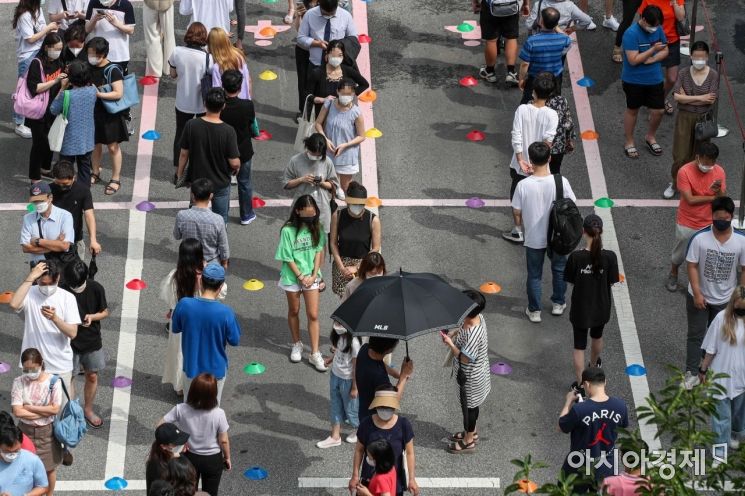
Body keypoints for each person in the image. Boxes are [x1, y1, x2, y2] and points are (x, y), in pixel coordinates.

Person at [684, 196, 745, 388]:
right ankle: (692, 372)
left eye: (726, 219)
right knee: (695, 334)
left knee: (719, 335)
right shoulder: (699, 238)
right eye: (718, 218)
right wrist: (697, 292)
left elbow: (744, 270)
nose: (722, 222)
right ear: (712, 216)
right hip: (699, 296)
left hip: (726, 300)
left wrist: (741, 297)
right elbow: (692, 265)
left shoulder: (741, 241)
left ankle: (708, 366)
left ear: (731, 217)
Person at [511, 142, 575, 322]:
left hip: (533, 237)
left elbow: (517, 211)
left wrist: (520, 226)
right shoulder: (561, 181)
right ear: (549, 158)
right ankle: (558, 303)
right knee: (559, 269)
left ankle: (534, 310)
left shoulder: (523, 185)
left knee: (534, 274)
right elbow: (572, 205)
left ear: (530, 160)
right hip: (558, 236)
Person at [171, 264, 240, 403]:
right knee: (212, 412)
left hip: (191, 368)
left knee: (189, 409)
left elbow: (176, 328)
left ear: (201, 281)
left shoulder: (184, 304)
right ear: (220, 287)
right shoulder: (226, 312)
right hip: (216, 372)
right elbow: (234, 340)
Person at [564, 215, 620, 387]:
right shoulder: (610, 257)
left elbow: (571, 280)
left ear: (583, 232)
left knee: (579, 345)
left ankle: (581, 385)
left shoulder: (576, 257)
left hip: (581, 308)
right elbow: (612, 281)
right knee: (597, 335)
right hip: (601, 307)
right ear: (601, 232)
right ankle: (594, 366)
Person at [275, 195, 328, 372]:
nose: (310, 219)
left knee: (313, 314)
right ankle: (296, 343)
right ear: (297, 212)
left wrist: (314, 275)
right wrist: (300, 276)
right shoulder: (288, 230)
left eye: (313, 215)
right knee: (294, 310)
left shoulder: (317, 227)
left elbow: (319, 251)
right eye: (306, 216)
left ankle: (314, 352)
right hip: (292, 277)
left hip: (311, 276)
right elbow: (287, 256)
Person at [502, 75, 558, 243]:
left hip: (520, 165)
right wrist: (540, 162)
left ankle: (518, 230)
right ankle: (538, 230)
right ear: (550, 95)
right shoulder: (552, 115)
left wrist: (520, 159)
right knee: (541, 197)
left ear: (533, 92)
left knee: (517, 197)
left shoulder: (522, 110)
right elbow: (548, 141)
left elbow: (516, 135)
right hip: (541, 166)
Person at [9, 261, 81, 390]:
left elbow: (72, 333)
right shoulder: (29, 292)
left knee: (61, 407)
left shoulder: (68, 298)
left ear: (58, 278)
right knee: (30, 404)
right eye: (42, 283)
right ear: (37, 280)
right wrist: (30, 277)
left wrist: (55, 319)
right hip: (32, 364)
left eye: (51, 283)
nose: (47, 287)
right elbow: (14, 304)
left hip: (60, 364)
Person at [666, 142, 726, 292]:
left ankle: (698, 282)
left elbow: (722, 196)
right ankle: (673, 272)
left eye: (712, 162)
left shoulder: (719, 172)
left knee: (706, 254)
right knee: (679, 254)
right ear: (698, 157)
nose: (708, 165)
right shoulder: (684, 172)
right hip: (688, 222)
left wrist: (718, 192)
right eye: (706, 161)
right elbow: (690, 200)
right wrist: (713, 198)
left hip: (709, 221)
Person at [176, 88, 241, 224]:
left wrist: (180, 174)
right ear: (223, 106)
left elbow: (183, 154)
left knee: (194, 216)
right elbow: (234, 162)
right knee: (221, 219)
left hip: (197, 180)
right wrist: (237, 167)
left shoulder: (191, 125)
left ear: (205, 103)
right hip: (220, 181)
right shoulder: (228, 131)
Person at [161, 373, 232, 496]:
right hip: (212, 460)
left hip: (189, 456)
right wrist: (227, 458)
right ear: (213, 393)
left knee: (188, 492)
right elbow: (223, 440)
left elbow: (160, 425)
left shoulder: (181, 409)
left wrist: (173, 442)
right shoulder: (219, 413)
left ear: (193, 390)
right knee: (210, 493)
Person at [665, 41, 719, 199]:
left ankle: (692, 185)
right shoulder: (683, 73)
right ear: (690, 56)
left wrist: (687, 98)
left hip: (703, 120)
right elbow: (677, 97)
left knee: (699, 155)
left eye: (702, 57)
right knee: (680, 155)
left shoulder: (713, 75)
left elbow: (711, 100)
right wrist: (700, 97)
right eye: (696, 57)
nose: (699, 60)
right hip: (685, 118)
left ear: (707, 57)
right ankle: (675, 183)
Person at [440, 290, 490, 454]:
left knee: (469, 408)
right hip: (478, 373)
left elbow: (464, 358)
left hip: (470, 378)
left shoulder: (472, 334)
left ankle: (468, 441)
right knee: (472, 406)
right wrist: (455, 332)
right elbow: (464, 326)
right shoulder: (477, 318)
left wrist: (450, 343)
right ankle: (471, 432)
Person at [559, 368, 629, 484]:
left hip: (579, 464)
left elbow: (561, 426)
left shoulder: (579, 409)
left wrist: (568, 402)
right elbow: (623, 425)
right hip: (607, 464)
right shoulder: (620, 405)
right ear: (605, 381)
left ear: (586, 384)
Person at [10, 348, 63, 495]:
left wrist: (29, 407)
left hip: (47, 432)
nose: (29, 373)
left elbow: (55, 410)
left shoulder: (54, 382)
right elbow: (17, 411)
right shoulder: (19, 382)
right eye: (26, 369)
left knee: (49, 468)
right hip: (24, 431)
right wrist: (43, 411)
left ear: (41, 364)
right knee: (26, 468)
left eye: (33, 369)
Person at [63, 260, 108, 429]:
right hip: (69, 340)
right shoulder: (62, 289)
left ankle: (88, 409)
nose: (74, 287)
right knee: (70, 377)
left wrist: (92, 317)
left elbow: (104, 312)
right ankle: (73, 410)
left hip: (91, 339)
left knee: (92, 375)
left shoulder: (96, 288)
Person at [700, 287, 745, 455]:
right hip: (722, 378)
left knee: (733, 415)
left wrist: (703, 369)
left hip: (737, 379)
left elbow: (711, 349)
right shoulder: (720, 319)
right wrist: (703, 370)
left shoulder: (722, 319)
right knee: (721, 418)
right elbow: (711, 349)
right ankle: (721, 451)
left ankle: (731, 438)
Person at [350, 387, 419, 496]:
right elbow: (359, 450)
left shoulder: (404, 425)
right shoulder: (366, 424)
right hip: (368, 480)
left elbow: (410, 453)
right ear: (376, 405)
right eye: (382, 406)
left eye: (388, 407)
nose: (385, 409)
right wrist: (355, 476)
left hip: (394, 483)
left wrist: (412, 479)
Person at [620, 5, 668, 159]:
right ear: (643, 19)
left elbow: (666, 50)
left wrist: (653, 59)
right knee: (633, 110)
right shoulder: (630, 34)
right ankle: (629, 141)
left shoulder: (658, 28)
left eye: (657, 26)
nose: (655, 29)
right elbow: (633, 60)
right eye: (652, 25)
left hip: (654, 78)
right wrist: (652, 51)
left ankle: (650, 136)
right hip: (634, 80)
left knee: (659, 111)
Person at [160, 239, 202, 397]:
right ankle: (195, 384)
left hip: (179, 319)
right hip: (198, 320)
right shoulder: (202, 277)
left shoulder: (175, 276)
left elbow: (170, 299)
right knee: (196, 352)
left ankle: (179, 385)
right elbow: (221, 291)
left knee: (179, 352)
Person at [87, 37, 127, 194]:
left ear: (102, 54)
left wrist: (98, 95)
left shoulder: (113, 70)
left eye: (93, 54)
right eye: (89, 53)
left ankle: (115, 178)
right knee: (95, 144)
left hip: (109, 114)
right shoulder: (89, 66)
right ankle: (95, 172)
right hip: (93, 112)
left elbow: (118, 93)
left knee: (112, 147)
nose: (91, 57)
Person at [12, 0, 58, 139]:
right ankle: (19, 122)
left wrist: (51, 29)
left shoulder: (36, 9)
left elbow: (43, 26)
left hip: (38, 52)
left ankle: (32, 113)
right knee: (23, 89)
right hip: (27, 55)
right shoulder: (24, 15)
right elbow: (30, 39)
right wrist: (47, 29)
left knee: (37, 84)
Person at [168, 22, 211, 170]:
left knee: (180, 134)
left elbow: (172, 74)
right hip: (202, 104)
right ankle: (197, 168)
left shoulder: (177, 51)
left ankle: (177, 169)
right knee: (201, 137)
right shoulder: (207, 58)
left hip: (182, 102)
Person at [24, 32, 65, 182]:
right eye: (56, 49)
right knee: (39, 144)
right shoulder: (37, 63)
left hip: (53, 108)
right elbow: (34, 87)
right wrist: (55, 81)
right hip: (39, 111)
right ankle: (34, 177)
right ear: (47, 47)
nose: (58, 52)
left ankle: (45, 169)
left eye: (60, 48)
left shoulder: (58, 60)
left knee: (50, 140)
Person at [49, 60, 97, 187]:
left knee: (65, 168)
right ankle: (84, 191)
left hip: (68, 140)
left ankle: (66, 189)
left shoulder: (67, 95)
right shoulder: (92, 91)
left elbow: (53, 109)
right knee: (84, 167)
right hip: (87, 138)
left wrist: (62, 87)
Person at [283, 134, 341, 238]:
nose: (315, 157)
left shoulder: (327, 162)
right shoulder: (295, 160)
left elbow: (334, 186)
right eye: (313, 153)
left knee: (321, 240)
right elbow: (287, 184)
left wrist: (322, 183)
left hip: (322, 208)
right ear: (307, 147)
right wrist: (301, 179)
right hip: (302, 207)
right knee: (300, 237)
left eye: (319, 155)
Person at [329, 181, 381, 297]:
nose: (358, 207)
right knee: (344, 303)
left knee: (363, 300)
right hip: (342, 264)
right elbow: (333, 243)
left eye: (361, 204)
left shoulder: (373, 220)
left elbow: (376, 247)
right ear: (348, 203)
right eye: (354, 204)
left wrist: (358, 267)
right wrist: (342, 268)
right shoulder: (337, 216)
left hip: (364, 264)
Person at [220, 69, 257, 225]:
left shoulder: (219, 106)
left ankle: (222, 217)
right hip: (243, 150)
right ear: (240, 87)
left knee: (223, 185)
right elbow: (251, 126)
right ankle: (246, 214)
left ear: (223, 86)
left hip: (223, 151)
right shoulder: (247, 105)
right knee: (245, 183)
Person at [314, 79, 366, 192]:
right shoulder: (329, 104)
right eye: (343, 93)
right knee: (329, 186)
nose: (346, 96)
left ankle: (349, 207)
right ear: (337, 91)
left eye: (349, 94)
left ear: (353, 94)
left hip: (347, 154)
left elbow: (362, 136)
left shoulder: (356, 112)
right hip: (329, 151)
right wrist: (325, 139)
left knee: (345, 187)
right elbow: (318, 123)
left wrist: (346, 145)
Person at [316, 322, 361, 448]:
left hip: (347, 380)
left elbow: (356, 367)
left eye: (340, 323)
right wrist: (330, 359)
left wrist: (354, 387)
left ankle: (360, 429)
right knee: (335, 404)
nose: (337, 325)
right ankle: (335, 436)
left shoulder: (355, 343)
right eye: (336, 322)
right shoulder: (339, 336)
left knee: (351, 408)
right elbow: (339, 352)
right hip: (335, 375)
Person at [638, 0, 686, 115]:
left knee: (672, 78)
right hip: (654, 43)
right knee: (653, 78)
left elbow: (680, 17)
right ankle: (655, 104)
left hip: (672, 41)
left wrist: (674, 2)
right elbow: (642, 21)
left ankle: (660, 99)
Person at [517, 7, 572, 104]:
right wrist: (557, 27)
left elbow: (525, 64)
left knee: (528, 101)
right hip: (555, 76)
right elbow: (568, 40)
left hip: (535, 77)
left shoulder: (532, 41)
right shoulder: (563, 39)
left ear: (541, 22)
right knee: (553, 100)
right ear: (556, 23)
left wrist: (521, 79)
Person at [51, 160, 102, 260]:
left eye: (66, 184)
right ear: (55, 179)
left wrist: (93, 240)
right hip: (51, 240)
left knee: (77, 274)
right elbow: (32, 207)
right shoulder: (48, 189)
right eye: (59, 184)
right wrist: (32, 207)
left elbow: (89, 215)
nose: (62, 188)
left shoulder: (83, 191)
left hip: (75, 240)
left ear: (73, 177)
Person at [174, 179, 230, 268]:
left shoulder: (181, 215)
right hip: (211, 264)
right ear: (211, 196)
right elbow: (223, 245)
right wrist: (224, 262)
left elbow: (177, 236)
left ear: (193, 196)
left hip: (189, 262)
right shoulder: (218, 219)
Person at [305, 40, 369, 117]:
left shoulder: (348, 71)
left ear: (343, 56)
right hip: (322, 116)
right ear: (327, 55)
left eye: (339, 55)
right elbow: (307, 94)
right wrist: (323, 100)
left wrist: (349, 95)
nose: (336, 58)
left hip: (343, 116)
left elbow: (364, 84)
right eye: (333, 55)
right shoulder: (317, 73)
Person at [355, 338, 413, 421]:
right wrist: (403, 376)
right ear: (389, 349)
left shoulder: (365, 349)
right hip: (376, 420)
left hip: (363, 411)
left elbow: (380, 364)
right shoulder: (380, 377)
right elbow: (391, 401)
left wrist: (397, 374)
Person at [19, 182, 75, 266]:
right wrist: (56, 243)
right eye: (35, 201)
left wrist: (37, 241)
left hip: (59, 266)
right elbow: (26, 248)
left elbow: (64, 246)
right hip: (38, 267)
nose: (38, 204)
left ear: (50, 198)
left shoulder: (65, 216)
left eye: (41, 200)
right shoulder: (28, 218)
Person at [477, 0, 530, 85]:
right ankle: (511, 72)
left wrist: (476, 3)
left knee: (491, 40)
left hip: (490, 6)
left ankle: (490, 72)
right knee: (511, 38)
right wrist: (526, 4)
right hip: (512, 5)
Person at [297, 0, 357, 70]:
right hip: (316, 65)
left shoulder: (346, 16)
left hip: (338, 66)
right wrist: (317, 43)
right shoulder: (309, 14)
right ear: (319, 3)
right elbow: (301, 38)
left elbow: (353, 39)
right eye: (325, 14)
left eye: (332, 14)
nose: (328, 16)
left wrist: (338, 46)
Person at [0, 419, 48, 496]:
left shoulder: (32, 460)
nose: (12, 455)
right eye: (7, 451)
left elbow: (43, 487)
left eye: (16, 451)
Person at [146, 422, 191, 493]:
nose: (181, 445)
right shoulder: (160, 469)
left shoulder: (159, 458)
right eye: (176, 444)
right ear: (163, 446)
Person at [208, 28, 251, 100]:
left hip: (227, 105)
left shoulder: (217, 67)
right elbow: (248, 80)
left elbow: (217, 90)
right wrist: (249, 98)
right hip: (244, 100)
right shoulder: (239, 55)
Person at [544, 80, 576, 175]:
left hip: (539, 148)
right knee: (555, 171)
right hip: (558, 147)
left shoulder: (532, 104)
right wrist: (569, 140)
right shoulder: (561, 101)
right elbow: (568, 124)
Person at [143, 0, 175, 78]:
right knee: (169, 36)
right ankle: (169, 68)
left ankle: (155, 71)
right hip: (167, 3)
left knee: (151, 37)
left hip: (150, 3)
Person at [524, 0, 594, 32]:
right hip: (560, 44)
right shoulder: (570, 6)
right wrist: (572, 29)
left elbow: (529, 25)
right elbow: (587, 20)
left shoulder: (539, 4)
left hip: (539, 42)